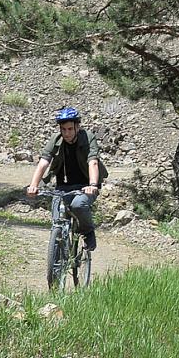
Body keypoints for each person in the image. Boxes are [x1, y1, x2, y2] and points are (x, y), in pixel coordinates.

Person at [25, 107, 108, 251]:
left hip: (85, 186)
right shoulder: (56, 139)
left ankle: (88, 232)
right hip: (63, 186)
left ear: (77, 127)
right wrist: (34, 185)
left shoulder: (87, 137)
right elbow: (43, 162)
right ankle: (57, 254)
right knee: (57, 217)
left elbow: (93, 162)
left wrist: (93, 185)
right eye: (63, 129)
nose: (66, 133)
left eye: (70, 129)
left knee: (78, 205)